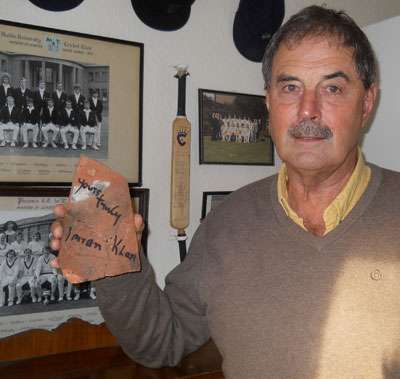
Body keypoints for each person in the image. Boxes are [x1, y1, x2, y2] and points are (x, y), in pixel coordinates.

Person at [50, 6, 400, 378]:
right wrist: (115, 262)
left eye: (332, 88)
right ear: (268, 103)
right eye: (290, 87)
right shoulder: (225, 224)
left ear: (366, 103)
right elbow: (160, 341)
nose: (307, 111)